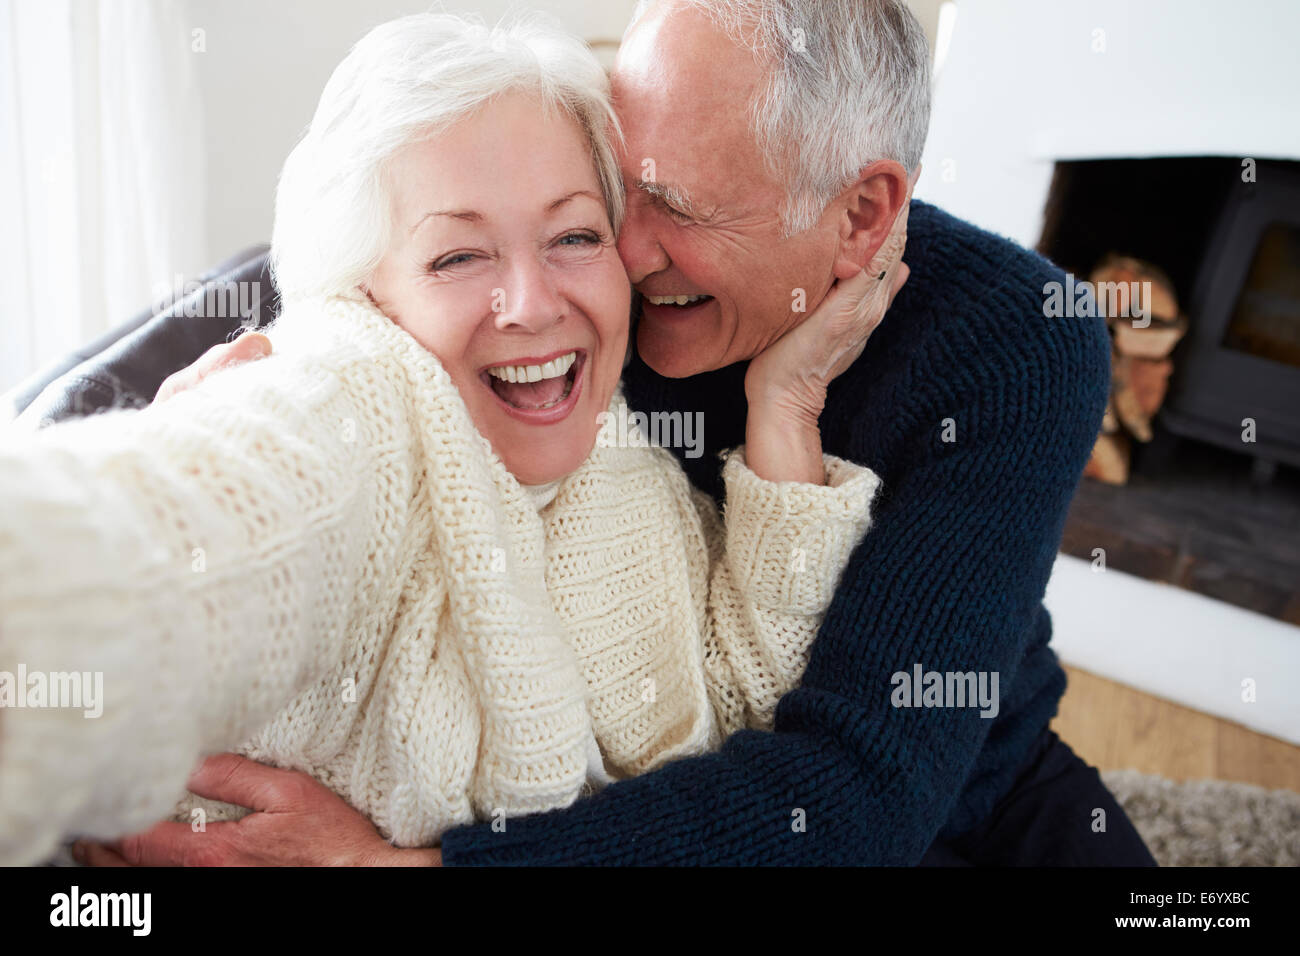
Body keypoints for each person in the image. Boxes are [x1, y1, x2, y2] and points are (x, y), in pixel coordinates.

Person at [66, 0, 1155, 867]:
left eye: (674, 206)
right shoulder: (562, 276)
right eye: (610, 195)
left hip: (952, 777)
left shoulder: (1018, 342)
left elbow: (857, 798)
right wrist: (178, 402)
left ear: (861, 216)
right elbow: (378, 234)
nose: (617, 256)